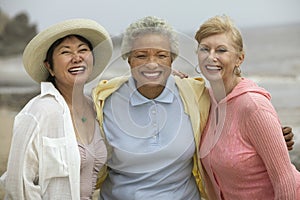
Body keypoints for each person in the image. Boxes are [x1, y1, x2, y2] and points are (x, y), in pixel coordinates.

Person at [92, 16, 295, 200]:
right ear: (128, 59)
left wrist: (271, 136)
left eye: (162, 55)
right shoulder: (104, 101)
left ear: (172, 59)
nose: (152, 63)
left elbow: (241, 112)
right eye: (141, 56)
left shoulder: (194, 95)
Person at [0, 18, 113, 199]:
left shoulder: (95, 108)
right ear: (49, 66)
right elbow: (18, 186)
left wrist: (172, 80)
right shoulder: (40, 111)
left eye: (83, 50)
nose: (77, 58)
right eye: (66, 52)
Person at [195, 15, 300, 199]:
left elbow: (286, 182)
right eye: (204, 49)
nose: (211, 57)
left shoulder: (253, 106)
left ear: (239, 59)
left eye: (221, 50)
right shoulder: (206, 100)